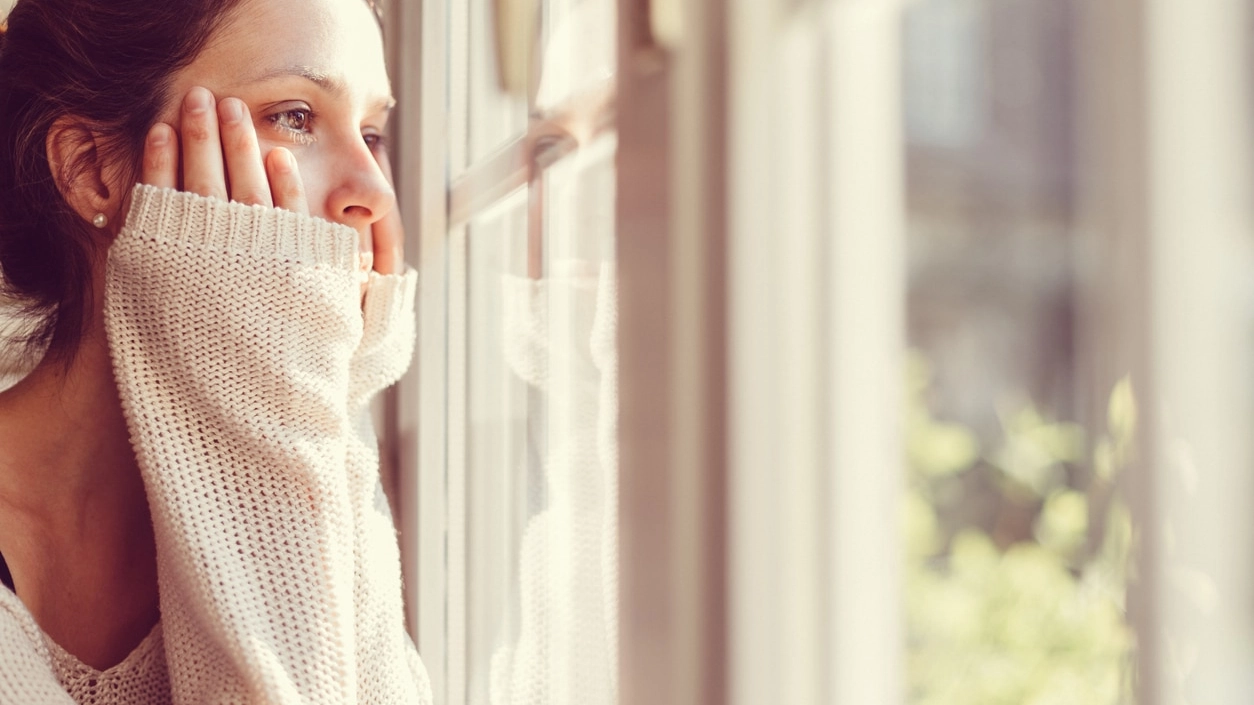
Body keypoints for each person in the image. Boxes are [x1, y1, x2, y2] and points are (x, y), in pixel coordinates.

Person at [0, 0, 432, 702]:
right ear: (89, 169)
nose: (374, 193)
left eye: (374, 132)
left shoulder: (310, 468)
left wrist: (318, 400)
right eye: (295, 116)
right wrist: (276, 401)